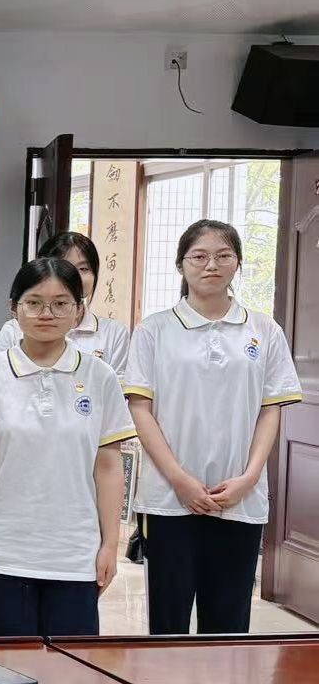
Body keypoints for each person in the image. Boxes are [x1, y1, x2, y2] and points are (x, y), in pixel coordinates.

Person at [127, 219, 300, 634]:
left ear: (237, 263)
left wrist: (249, 478)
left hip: (238, 497)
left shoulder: (264, 329)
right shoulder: (154, 330)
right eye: (199, 256)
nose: (211, 265)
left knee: (229, 622)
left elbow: (270, 410)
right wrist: (179, 479)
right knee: (168, 621)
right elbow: (140, 408)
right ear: (181, 264)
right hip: (170, 498)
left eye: (224, 256)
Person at [0, 259, 136, 637]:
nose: (46, 313)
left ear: (79, 311)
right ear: (14, 308)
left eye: (61, 303)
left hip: (75, 554)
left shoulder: (99, 376)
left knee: (72, 667)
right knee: (8, 667)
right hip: (2, 553)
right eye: (34, 303)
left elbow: (108, 466)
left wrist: (109, 545)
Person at [0, 231, 131, 378]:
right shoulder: (14, 329)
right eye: (64, 266)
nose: (75, 276)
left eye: (84, 269)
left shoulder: (114, 332)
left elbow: (116, 385)